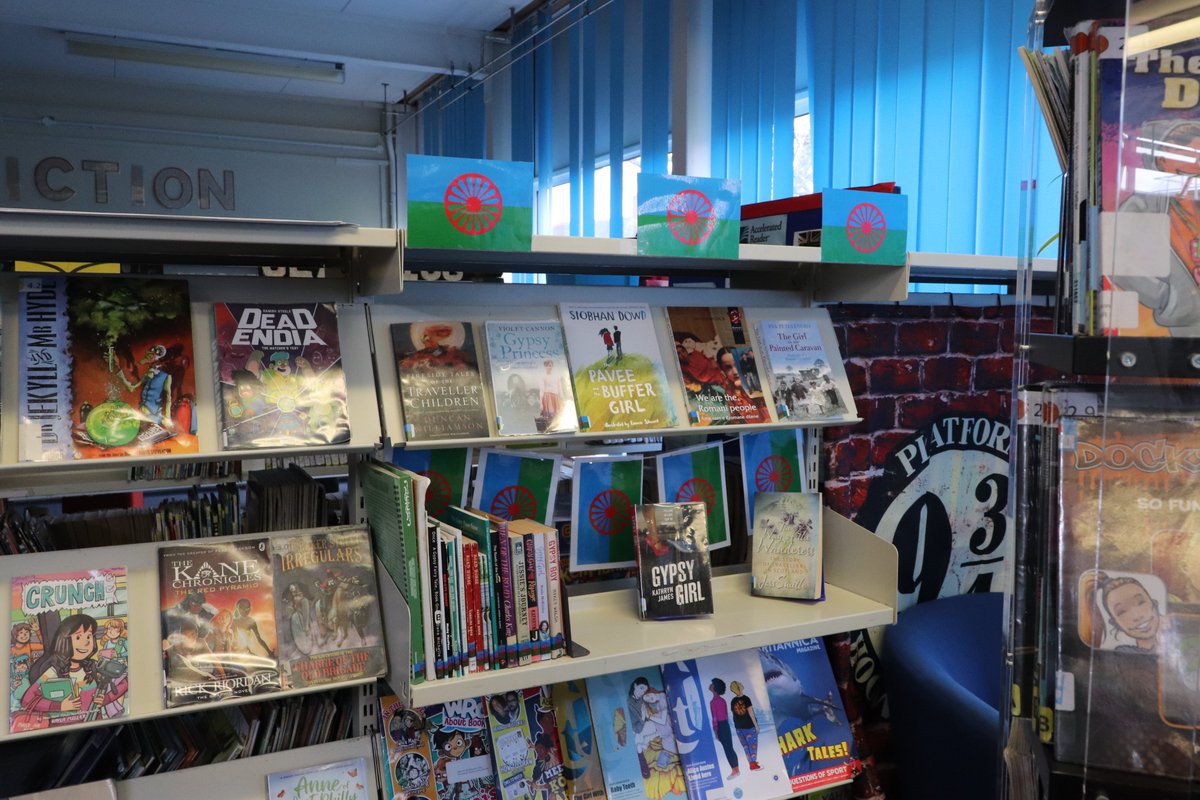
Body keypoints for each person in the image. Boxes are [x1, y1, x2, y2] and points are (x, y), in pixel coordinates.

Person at [21, 614, 128, 726]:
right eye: (78, 637)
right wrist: (60, 706)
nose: (86, 643)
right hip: (61, 728)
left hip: (94, 726)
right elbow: (27, 700)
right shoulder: (53, 671)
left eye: (89, 636)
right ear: (64, 641)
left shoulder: (96, 666)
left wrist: (106, 699)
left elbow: (124, 683)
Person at [626, 676, 687, 799]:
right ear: (634, 686)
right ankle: (642, 752)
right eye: (646, 696)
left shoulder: (662, 698)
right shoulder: (634, 702)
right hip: (664, 738)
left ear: (653, 691)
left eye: (647, 692)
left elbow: (664, 718)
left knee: (664, 766)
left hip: (666, 736)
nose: (646, 696)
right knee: (660, 764)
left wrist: (650, 717)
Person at [1078, 570, 1163, 654]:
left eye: (1140, 602)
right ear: (1115, 624)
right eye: (1122, 612)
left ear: (1154, 603)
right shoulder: (1124, 653)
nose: (1137, 615)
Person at [709, 677, 740, 778]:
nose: (710, 685)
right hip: (725, 725)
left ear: (715, 688)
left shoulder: (713, 702)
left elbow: (714, 718)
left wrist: (716, 730)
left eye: (712, 684)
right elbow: (726, 715)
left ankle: (734, 771)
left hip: (720, 726)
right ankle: (736, 769)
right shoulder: (723, 701)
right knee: (730, 748)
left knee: (727, 749)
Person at [729, 680, 762, 771]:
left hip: (738, 727)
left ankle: (751, 762)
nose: (741, 684)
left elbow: (735, 714)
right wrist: (756, 725)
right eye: (739, 684)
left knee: (746, 746)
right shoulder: (746, 699)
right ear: (740, 687)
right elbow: (751, 713)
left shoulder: (733, 701)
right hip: (749, 726)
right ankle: (753, 764)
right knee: (753, 745)